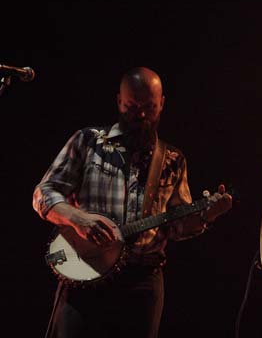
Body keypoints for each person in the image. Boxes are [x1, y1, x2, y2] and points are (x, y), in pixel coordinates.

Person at [33, 67, 232, 338]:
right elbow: (44, 193)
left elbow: (176, 226)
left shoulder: (172, 160)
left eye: (149, 107)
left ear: (162, 103)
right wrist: (78, 219)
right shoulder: (88, 141)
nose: (140, 115)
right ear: (119, 101)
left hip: (142, 281)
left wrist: (206, 216)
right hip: (84, 272)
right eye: (131, 106)